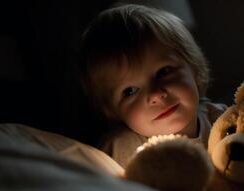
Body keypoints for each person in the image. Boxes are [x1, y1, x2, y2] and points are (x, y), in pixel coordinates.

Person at [79, 4, 226, 167]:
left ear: (194, 69)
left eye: (163, 72)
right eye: (130, 91)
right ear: (112, 110)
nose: (156, 94)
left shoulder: (220, 119)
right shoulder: (122, 149)